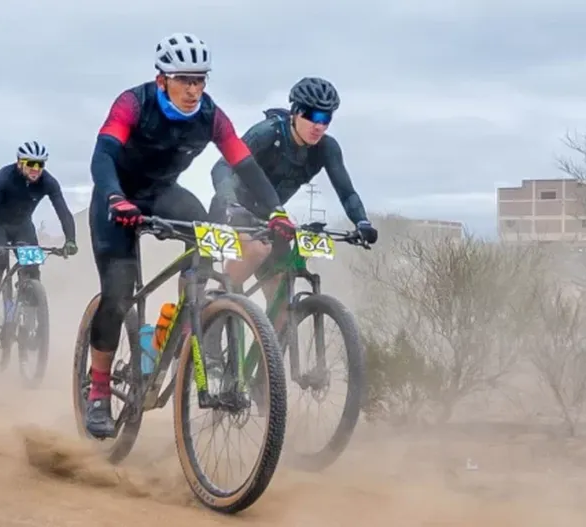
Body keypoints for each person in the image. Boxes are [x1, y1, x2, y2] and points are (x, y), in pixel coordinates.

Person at [83, 32, 298, 439]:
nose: (193, 89)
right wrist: (114, 197)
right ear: (162, 79)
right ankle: (97, 394)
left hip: (163, 192)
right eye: (184, 79)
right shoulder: (134, 103)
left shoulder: (210, 115)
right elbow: (104, 154)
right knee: (118, 291)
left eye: (200, 80)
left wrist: (277, 212)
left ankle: (192, 322)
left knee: (206, 239)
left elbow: (245, 163)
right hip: (118, 196)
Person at [209, 77, 379, 330]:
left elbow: (346, 191)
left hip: (272, 217)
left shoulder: (326, 148)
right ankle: (210, 326)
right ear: (295, 112)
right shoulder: (268, 132)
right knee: (256, 250)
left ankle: (267, 367)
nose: (318, 126)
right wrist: (230, 204)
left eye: (326, 119)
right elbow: (222, 167)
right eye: (312, 116)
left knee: (281, 304)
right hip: (232, 208)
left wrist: (361, 221)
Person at [0, 141, 78, 339]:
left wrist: (71, 240)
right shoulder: (3, 177)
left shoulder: (48, 182)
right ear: (20, 162)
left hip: (22, 226)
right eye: (31, 163)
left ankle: (30, 316)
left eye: (40, 164)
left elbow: (63, 211)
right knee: (0, 261)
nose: (36, 169)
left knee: (32, 267)